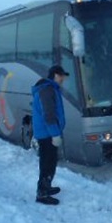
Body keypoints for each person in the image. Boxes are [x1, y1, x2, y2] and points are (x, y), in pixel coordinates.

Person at [31, 65, 69, 205]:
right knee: (47, 163)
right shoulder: (47, 90)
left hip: (47, 133)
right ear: (55, 75)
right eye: (62, 76)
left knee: (50, 162)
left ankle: (46, 186)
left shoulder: (49, 88)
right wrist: (55, 134)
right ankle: (42, 193)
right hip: (47, 134)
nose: (63, 79)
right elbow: (49, 115)